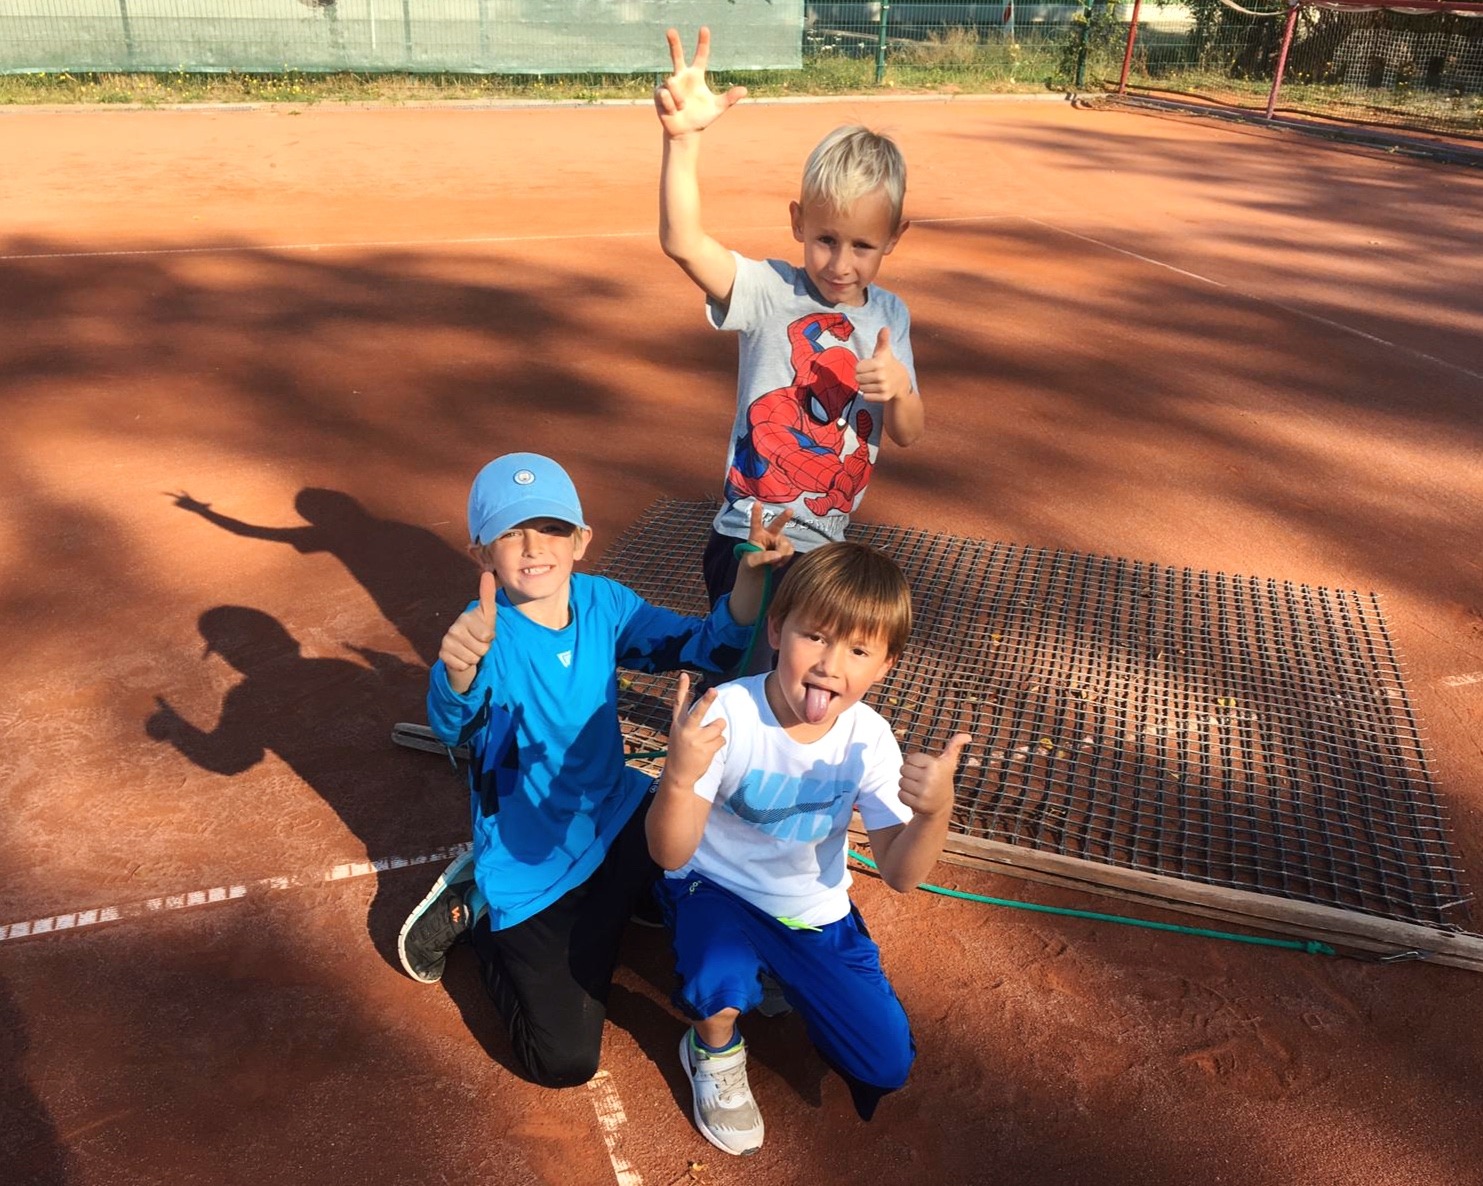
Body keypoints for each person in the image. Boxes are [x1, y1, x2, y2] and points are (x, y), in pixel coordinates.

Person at [397, 452, 792, 1089]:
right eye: (510, 532)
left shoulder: (603, 603)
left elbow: (702, 645)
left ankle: (632, 894)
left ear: (581, 541)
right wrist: (458, 673)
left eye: (551, 528)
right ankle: (476, 912)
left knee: (706, 839)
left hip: (614, 812)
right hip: (533, 859)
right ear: (482, 555)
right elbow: (455, 727)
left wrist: (748, 578)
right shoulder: (486, 634)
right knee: (563, 1062)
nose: (532, 546)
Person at [646, 541, 971, 1156]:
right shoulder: (730, 715)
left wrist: (935, 814)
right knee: (716, 974)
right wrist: (681, 777)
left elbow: (901, 873)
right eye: (815, 636)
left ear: (886, 665)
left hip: (809, 909)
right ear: (776, 628)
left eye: (857, 649)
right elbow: (668, 853)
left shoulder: (869, 740)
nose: (829, 663)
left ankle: (775, 971)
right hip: (714, 886)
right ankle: (713, 1049)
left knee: (885, 1063)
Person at [655, 26, 926, 612]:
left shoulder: (888, 316)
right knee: (742, 672)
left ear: (893, 240)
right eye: (826, 239)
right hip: (749, 534)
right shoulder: (770, 291)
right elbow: (683, 243)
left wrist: (900, 389)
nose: (840, 263)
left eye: (862, 246)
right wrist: (683, 141)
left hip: (824, 546)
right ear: (799, 221)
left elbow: (906, 431)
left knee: (797, 682)